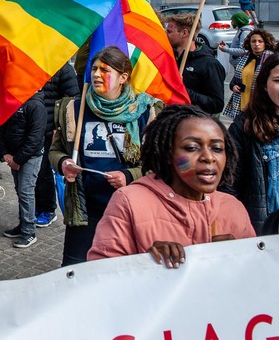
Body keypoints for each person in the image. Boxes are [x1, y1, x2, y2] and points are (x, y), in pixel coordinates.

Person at [88, 105, 254, 266]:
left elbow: (257, 280)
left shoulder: (233, 208)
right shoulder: (130, 202)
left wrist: (240, 258)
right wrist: (147, 263)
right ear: (168, 153)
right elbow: (101, 276)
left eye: (217, 148)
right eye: (192, 147)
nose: (208, 157)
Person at [49, 46, 162, 266]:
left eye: (105, 70)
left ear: (123, 77)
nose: (96, 75)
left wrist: (128, 176)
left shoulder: (145, 111)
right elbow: (55, 151)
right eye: (94, 69)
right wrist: (64, 164)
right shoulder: (74, 109)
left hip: (129, 211)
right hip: (85, 210)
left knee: (118, 270)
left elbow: (157, 164)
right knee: (74, 270)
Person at [228, 53, 279, 234]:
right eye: (278, 80)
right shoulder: (245, 126)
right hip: (262, 232)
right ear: (265, 84)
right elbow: (229, 184)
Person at [0, 90, 46, 249]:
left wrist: (17, 160)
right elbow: (1, 128)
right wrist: (5, 154)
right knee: (20, 191)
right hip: (14, 155)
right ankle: (23, 224)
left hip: (30, 157)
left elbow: (35, 138)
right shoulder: (10, 101)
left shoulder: (36, 105)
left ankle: (29, 231)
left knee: (26, 191)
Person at [36, 63, 80, 227]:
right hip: (34, 128)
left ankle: (48, 210)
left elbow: (72, 101)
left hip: (51, 131)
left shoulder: (64, 69)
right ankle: (37, 207)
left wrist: (58, 128)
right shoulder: (33, 63)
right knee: (35, 174)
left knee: (45, 172)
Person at [165, 13, 225, 115]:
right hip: (172, 119)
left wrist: (183, 90)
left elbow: (216, 104)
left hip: (194, 122)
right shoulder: (170, 58)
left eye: (169, 31)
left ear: (184, 33)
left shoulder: (209, 64)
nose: (165, 34)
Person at [223, 28, 275, 120]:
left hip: (261, 105)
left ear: (265, 43)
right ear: (249, 43)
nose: (257, 44)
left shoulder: (271, 59)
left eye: (260, 41)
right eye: (253, 41)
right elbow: (235, 79)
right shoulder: (245, 57)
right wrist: (233, 86)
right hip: (242, 103)